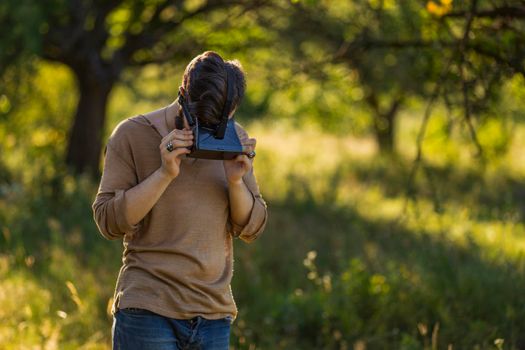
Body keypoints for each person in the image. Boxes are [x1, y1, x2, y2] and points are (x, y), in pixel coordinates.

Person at [92, 51, 268, 350]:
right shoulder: (132, 134)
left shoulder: (233, 136)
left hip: (213, 313)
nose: (207, 134)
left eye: (216, 126)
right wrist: (164, 173)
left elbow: (252, 227)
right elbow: (108, 222)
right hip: (147, 308)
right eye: (199, 124)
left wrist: (236, 181)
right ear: (183, 95)